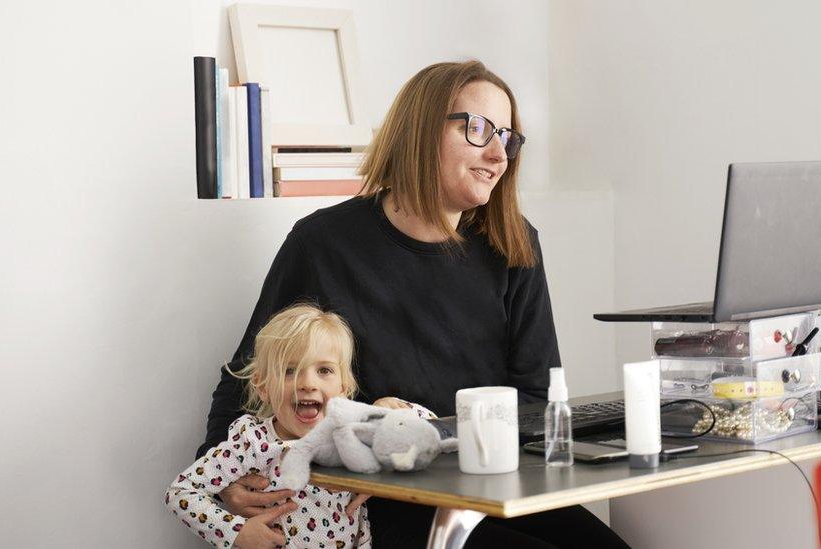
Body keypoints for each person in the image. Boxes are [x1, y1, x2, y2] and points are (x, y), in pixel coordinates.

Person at [201, 60, 628, 548]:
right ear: (421, 131)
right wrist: (223, 480)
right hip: (372, 500)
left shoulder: (513, 243)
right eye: (478, 128)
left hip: (487, 480)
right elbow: (246, 377)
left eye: (508, 137)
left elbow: (535, 396)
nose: (498, 154)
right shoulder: (323, 244)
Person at [171, 304, 434, 548]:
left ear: (343, 388)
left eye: (324, 371)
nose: (308, 383)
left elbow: (432, 431)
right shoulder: (251, 440)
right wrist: (237, 532)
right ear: (263, 387)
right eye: (289, 371)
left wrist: (397, 410)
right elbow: (182, 492)